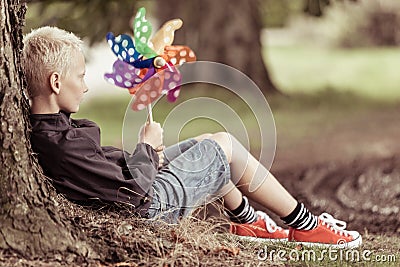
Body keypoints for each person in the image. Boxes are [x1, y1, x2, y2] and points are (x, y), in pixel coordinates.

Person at [23, 26, 362, 249]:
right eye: (80, 77)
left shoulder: (51, 132)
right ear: (55, 83)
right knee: (223, 146)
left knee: (207, 142)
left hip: (138, 196)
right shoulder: (62, 144)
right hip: (148, 208)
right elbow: (134, 190)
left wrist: (146, 154)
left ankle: (248, 223)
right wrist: (149, 149)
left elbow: (108, 174)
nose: (84, 85)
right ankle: (306, 226)